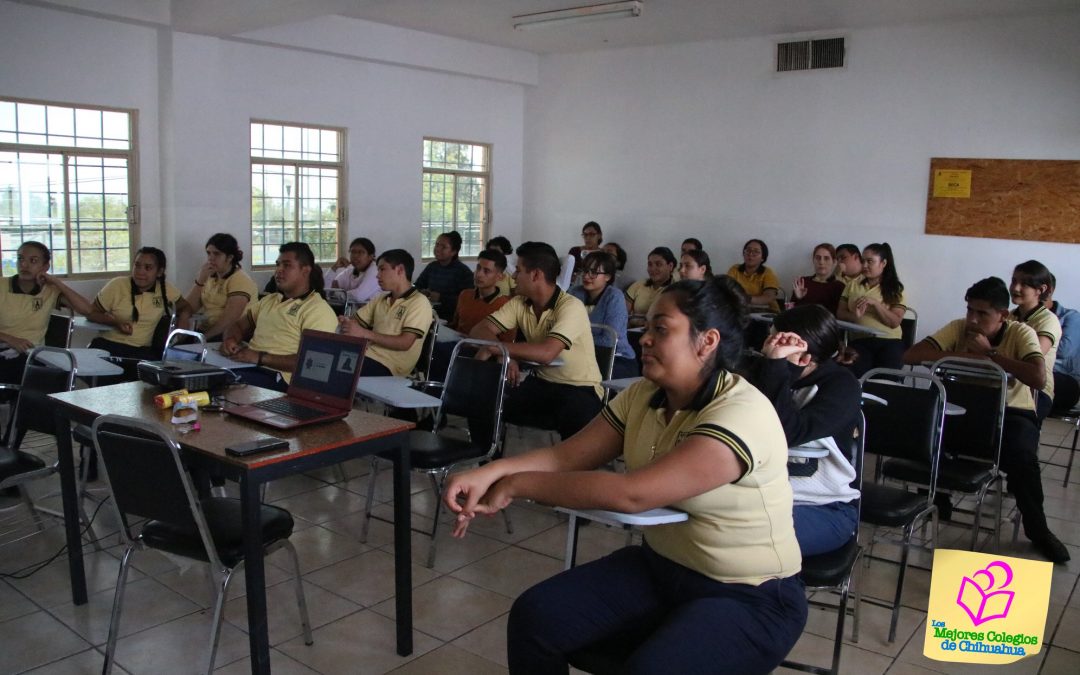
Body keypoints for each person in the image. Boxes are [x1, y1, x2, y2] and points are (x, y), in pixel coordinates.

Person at [444, 276, 807, 674]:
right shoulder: (643, 395)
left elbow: (632, 494)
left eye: (661, 329)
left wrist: (514, 485)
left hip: (752, 595)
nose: (643, 339)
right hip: (662, 567)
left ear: (707, 341)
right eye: (647, 327)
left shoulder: (741, 412)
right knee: (536, 618)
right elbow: (567, 456)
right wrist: (491, 471)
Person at [903, 277, 1069, 563]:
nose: (973, 319)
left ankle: (1038, 529)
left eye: (982, 314)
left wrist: (989, 354)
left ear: (1003, 315)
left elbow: (1038, 378)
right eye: (970, 310)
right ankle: (936, 500)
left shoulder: (1022, 333)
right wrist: (963, 356)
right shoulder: (959, 328)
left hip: (1011, 412)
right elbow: (912, 354)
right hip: (965, 409)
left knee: (1022, 455)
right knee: (925, 430)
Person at [744, 305, 861, 556]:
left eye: (780, 341)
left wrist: (778, 369)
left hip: (824, 507)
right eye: (771, 338)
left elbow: (785, 433)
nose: (770, 346)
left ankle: (780, 595)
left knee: (748, 541)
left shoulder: (842, 385)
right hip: (759, 499)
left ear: (804, 353)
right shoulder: (763, 374)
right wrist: (777, 369)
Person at [468, 242, 603, 443]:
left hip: (581, 388)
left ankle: (572, 472)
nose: (513, 277)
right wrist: (506, 355)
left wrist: (499, 350)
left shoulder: (571, 306)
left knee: (575, 416)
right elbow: (479, 329)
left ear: (535, 275)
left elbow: (547, 353)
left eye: (518, 271)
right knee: (483, 401)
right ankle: (487, 461)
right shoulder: (518, 303)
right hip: (542, 383)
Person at [221, 242, 337, 391]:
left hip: (279, 377)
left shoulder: (318, 310)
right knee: (199, 376)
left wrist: (260, 358)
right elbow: (237, 325)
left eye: (287, 265)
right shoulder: (270, 300)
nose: (278, 271)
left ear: (305, 271)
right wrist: (230, 339)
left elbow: (313, 362)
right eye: (278, 265)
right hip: (247, 366)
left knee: (221, 386)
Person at [0, 241, 95, 384]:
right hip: (4, 349)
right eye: (20, 259)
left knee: (51, 378)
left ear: (45, 266)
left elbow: (87, 309)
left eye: (33, 261)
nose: (24, 265)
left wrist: (57, 282)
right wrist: (10, 339)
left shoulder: (50, 291)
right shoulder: (2, 285)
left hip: (33, 354)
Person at [87, 247, 192, 374]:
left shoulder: (165, 289)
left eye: (148, 268)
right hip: (109, 345)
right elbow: (92, 313)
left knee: (153, 378)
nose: (140, 272)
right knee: (104, 379)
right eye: (137, 266)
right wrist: (115, 322)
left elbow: (186, 307)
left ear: (159, 272)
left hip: (141, 351)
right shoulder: (117, 285)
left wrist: (184, 318)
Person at [339, 249, 433, 377]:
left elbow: (405, 343)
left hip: (390, 366)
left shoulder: (419, 302)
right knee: (326, 359)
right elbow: (355, 321)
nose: (377, 275)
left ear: (400, 270)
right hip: (367, 355)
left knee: (338, 371)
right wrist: (346, 322)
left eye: (382, 269)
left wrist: (364, 334)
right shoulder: (381, 298)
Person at [837, 243, 906, 377]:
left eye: (870, 261)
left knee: (886, 377)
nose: (865, 266)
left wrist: (876, 304)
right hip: (860, 341)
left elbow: (894, 322)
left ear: (883, 263)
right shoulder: (853, 284)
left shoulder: (895, 289)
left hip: (889, 342)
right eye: (863, 261)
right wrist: (855, 316)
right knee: (850, 372)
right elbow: (840, 313)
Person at [570, 251, 639, 379]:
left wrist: (573, 340)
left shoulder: (615, 297)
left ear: (607, 276)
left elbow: (609, 340)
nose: (586, 276)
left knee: (583, 377)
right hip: (584, 356)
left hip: (616, 359)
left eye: (594, 272)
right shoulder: (575, 293)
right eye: (584, 271)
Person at [181, 233, 258, 340]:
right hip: (207, 329)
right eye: (209, 253)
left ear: (230, 257)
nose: (211, 258)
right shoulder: (209, 276)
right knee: (174, 347)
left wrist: (203, 338)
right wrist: (200, 281)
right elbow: (188, 307)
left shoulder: (240, 279)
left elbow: (229, 320)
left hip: (230, 333)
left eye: (217, 254)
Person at [1010, 260, 1061, 421]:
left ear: (1041, 290)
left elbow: (1031, 360)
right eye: (1014, 281)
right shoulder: (1009, 316)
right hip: (1009, 385)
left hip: (1036, 391)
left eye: (1024, 284)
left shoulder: (1048, 320)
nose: (1015, 288)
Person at [415, 231, 473, 321]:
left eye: (444, 247)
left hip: (450, 319)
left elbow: (466, 301)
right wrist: (422, 292)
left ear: (453, 252)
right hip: (429, 315)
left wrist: (441, 298)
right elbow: (416, 286)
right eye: (437, 245)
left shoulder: (463, 272)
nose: (438, 249)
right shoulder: (432, 267)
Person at [1046, 275, 1080, 414]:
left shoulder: (1071, 317)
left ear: (1048, 290)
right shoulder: (1018, 317)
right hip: (1034, 373)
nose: (1018, 288)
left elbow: (1064, 350)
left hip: (1065, 380)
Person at [626, 246, 677, 327]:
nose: (653, 269)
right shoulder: (638, 285)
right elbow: (623, 314)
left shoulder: (676, 289)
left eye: (658, 264)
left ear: (670, 266)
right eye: (650, 264)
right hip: (633, 331)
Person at [727, 238, 781, 312]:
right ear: (744, 253)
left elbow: (769, 297)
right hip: (742, 311)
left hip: (767, 313)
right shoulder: (735, 269)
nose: (751, 254)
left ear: (762, 258)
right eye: (748, 250)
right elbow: (726, 290)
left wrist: (746, 298)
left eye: (756, 251)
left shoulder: (768, 273)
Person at [792, 243, 845, 314]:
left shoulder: (839, 286)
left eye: (826, 258)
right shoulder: (803, 282)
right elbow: (790, 312)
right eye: (818, 258)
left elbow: (836, 315)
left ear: (834, 262)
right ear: (813, 260)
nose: (821, 262)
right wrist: (799, 299)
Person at [329, 237, 380, 305]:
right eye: (353, 252)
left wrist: (337, 293)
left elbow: (359, 296)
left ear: (371, 256)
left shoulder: (376, 270)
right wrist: (334, 268)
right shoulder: (350, 271)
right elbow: (325, 290)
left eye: (360, 252)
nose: (355, 256)